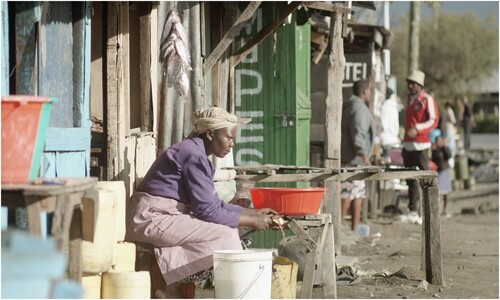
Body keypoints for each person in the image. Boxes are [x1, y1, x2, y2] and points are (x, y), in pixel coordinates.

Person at [125, 106, 278, 298]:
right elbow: (207, 211)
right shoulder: (193, 155)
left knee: (231, 231)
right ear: (210, 134)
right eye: (229, 138)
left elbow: (213, 203)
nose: (232, 144)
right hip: (151, 218)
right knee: (226, 236)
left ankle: (171, 281)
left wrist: (254, 214)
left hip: (161, 215)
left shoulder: (193, 151)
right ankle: (167, 284)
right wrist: (252, 221)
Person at [402, 70, 439, 224]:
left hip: (421, 144)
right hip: (407, 145)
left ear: (419, 85)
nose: (410, 86)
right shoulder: (409, 100)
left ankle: (429, 210)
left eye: (412, 83)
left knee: (425, 179)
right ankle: (413, 210)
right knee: (410, 178)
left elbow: (433, 120)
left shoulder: (426, 99)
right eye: (409, 83)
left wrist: (417, 129)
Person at [340, 79, 374, 232]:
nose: (371, 94)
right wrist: (364, 155)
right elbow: (358, 135)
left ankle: (354, 228)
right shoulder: (360, 109)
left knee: (356, 192)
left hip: (349, 157)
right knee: (348, 193)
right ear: (364, 92)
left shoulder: (348, 106)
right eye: (370, 91)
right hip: (356, 159)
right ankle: (341, 225)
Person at [430, 129, 453, 218]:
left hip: (446, 171)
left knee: (446, 192)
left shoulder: (444, 149)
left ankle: (444, 210)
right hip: (439, 172)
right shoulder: (434, 151)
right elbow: (433, 161)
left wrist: (444, 146)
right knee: (439, 192)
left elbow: (449, 156)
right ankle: (438, 210)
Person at [379, 87, 401, 162]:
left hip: (386, 141)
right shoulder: (394, 107)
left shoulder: (384, 107)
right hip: (394, 140)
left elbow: (383, 126)